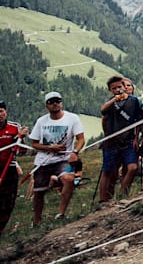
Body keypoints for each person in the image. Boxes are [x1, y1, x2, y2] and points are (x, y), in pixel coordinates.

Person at [28, 92, 85, 224]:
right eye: (51, 102)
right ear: (46, 105)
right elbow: (34, 143)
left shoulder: (72, 118)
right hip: (43, 161)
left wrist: (75, 152)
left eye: (58, 101)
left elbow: (81, 138)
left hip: (63, 159)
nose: (55, 104)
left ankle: (61, 214)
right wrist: (50, 148)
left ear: (62, 103)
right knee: (38, 192)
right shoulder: (41, 121)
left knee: (69, 179)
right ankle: (37, 221)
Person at [98, 75, 143, 203]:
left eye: (120, 87)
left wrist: (136, 138)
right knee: (108, 171)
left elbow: (138, 120)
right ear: (110, 90)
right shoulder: (110, 102)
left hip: (128, 140)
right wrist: (114, 100)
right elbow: (103, 111)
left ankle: (122, 195)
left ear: (125, 86)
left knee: (132, 167)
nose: (118, 90)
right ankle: (103, 200)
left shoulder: (134, 101)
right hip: (112, 141)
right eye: (114, 88)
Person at [1, 100, 29, 234]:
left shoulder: (14, 127)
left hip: (9, 169)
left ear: (6, 112)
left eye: (1, 111)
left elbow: (23, 151)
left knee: (8, 202)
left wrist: (21, 138)